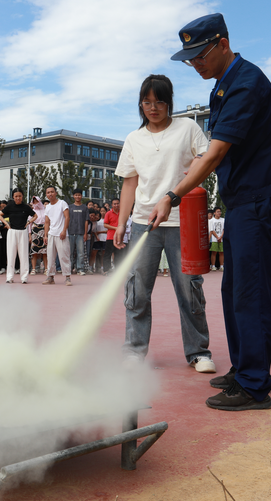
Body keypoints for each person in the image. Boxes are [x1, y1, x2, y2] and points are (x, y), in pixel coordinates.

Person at [164, 14, 271, 410]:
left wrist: (175, 193)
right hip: (240, 203)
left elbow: (217, 152)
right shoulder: (223, 86)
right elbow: (215, 149)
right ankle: (242, 368)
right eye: (190, 59)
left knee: (250, 293)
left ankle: (254, 385)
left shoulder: (246, 83)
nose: (195, 64)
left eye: (199, 55)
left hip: (257, 201)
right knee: (234, 290)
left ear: (222, 44)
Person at [114, 74, 216, 373]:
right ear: (140, 104)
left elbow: (205, 161)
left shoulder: (187, 128)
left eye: (159, 101)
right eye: (147, 102)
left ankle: (198, 352)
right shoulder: (134, 139)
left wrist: (178, 193)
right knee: (137, 289)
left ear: (169, 102)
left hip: (181, 219)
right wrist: (122, 222)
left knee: (189, 288)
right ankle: (134, 351)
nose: (153, 108)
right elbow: (130, 183)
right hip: (144, 222)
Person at [0, 188, 36, 284]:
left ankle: (24, 278)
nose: (18, 198)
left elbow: (35, 216)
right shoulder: (10, 206)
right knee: (11, 255)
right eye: (16, 196)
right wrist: (6, 224)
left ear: (22, 196)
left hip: (23, 232)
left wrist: (28, 222)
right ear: (13, 197)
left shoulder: (26, 207)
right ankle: (9, 277)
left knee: (23, 255)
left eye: (19, 196)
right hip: (12, 232)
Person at [42, 186, 72, 286]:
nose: (50, 194)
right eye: (48, 192)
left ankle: (67, 277)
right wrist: (45, 235)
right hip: (51, 234)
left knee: (64, 256)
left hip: (62, 234)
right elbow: (47, 222)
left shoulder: (62, 203)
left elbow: (67, 217)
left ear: (56, 193)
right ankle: (50, 277)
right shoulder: (48, 207)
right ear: (46, 194)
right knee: (50, 257)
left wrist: (64, 230)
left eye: (52, 192)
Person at [68, 189, 89, 275]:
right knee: (70, 252)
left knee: (81, 252)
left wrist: (85, 233)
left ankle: (80, 269)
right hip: (70, 232)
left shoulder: (85, 207)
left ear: (81, 196)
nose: (77, 196)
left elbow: (86, 221)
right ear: (73, 196)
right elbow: (67, 219)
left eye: (79, 195)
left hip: (81, 233)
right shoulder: (69, 207)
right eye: (76, 195)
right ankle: (69, 268)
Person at [102, 198, 121, 274]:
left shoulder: (122, 213)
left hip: (120, 237)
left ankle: (118, 270)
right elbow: (105, 224)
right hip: (110, 237)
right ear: (111, 205)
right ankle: (106, 270)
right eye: (114, 204)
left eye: (117, 203)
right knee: (108, 254)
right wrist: (115, 228)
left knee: (119, 254)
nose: (116, 205)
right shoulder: (108, 213)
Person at [30, 195, 47, 275]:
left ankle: (46, 269)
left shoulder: (46, 210)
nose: (35, 203)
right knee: (34, 251)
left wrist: (47, 233)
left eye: (37, 201)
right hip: (34, 230)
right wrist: (30, 235)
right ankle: (33, 269)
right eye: (34, 201)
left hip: (44, 230)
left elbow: (48, 222)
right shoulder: (32, 212)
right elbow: (29, 225)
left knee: (45, 251)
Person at [208, 207, 224, 271]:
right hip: (214, 239)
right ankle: (213, 266)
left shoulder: (223, 220)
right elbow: (211, 230)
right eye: (218, 212)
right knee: (214, 252)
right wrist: (217, 237)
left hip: (221, 239)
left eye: (220, 211)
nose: (219, 213)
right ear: (214, 213)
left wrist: (221, 237)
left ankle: (221, 266)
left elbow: (224, 229)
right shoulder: (211, 220)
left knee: (221, 252)